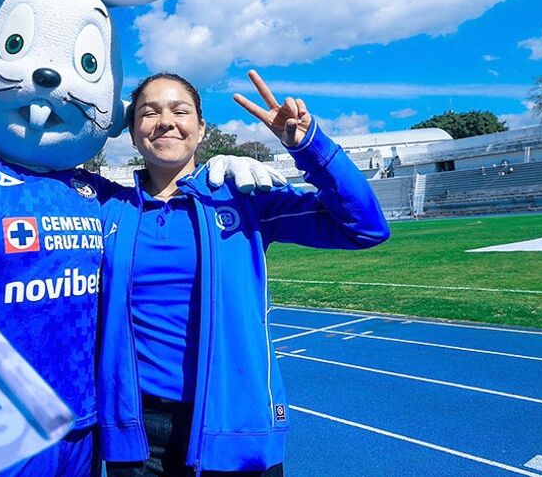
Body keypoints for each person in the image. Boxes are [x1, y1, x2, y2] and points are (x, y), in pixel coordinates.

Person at [98, 71, 391, 476]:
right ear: (132, 134)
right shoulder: (107, 208)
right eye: (149, 113)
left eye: (180, 110)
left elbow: (364, 228)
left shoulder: (245, 198)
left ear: (201, 129)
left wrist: (308, 147)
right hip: (137, 434)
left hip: (233, 422)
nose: (165, 120)